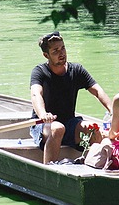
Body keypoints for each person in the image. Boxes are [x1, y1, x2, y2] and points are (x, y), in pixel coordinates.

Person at [30, 31, 112, 164]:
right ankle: (49, 171)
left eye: (63, 48)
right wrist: (43, 114)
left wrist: (113, 111)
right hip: (44, 124)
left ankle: (92, 165)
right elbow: (35, 94)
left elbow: (97, 91)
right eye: (55, 51)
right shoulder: (40, 72)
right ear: (46, 55)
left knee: (94, 129)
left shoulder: (76, 70)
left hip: (69, 122)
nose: (61, 53)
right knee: (57, 128)